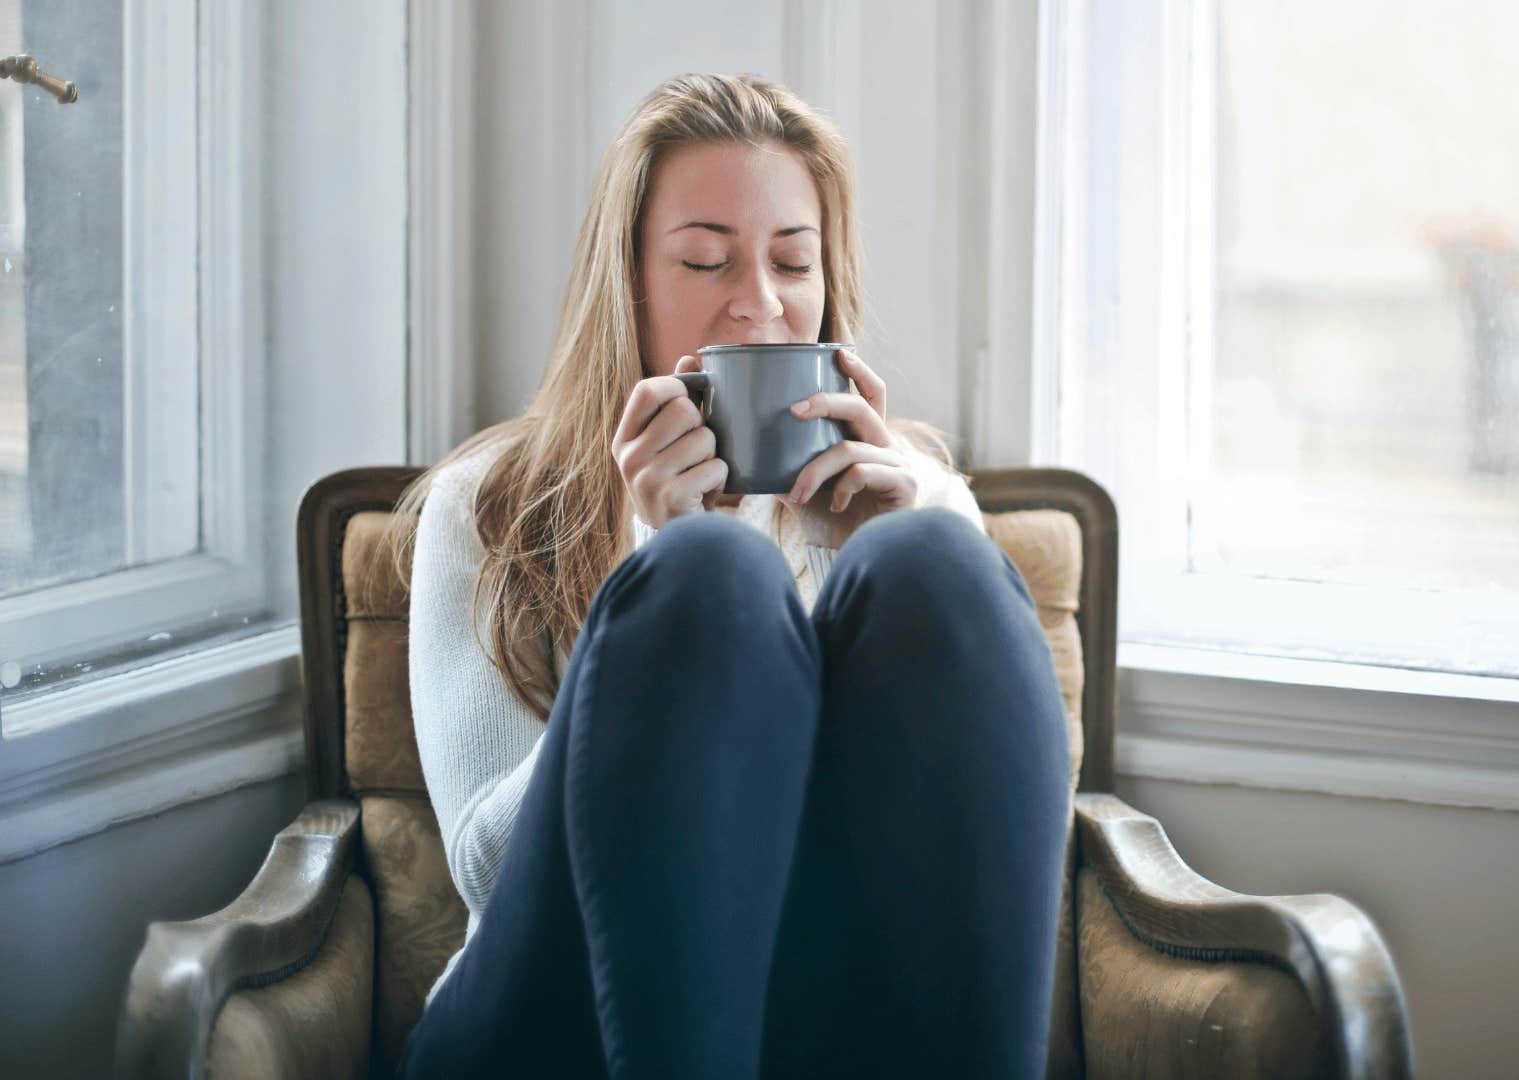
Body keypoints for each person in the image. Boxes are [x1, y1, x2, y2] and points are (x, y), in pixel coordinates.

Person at [384, 72, 1071, 1078]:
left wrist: (856, 560)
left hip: (826, 1013)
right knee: (709, 575)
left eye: (795, 263)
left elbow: (1000, 860)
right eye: (706, 261)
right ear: (626, 281)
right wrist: (651, 568)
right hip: (549, 1014)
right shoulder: (489, 502)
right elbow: (487, 870)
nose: (761, 306)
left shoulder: (915, 498)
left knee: (928, 559)